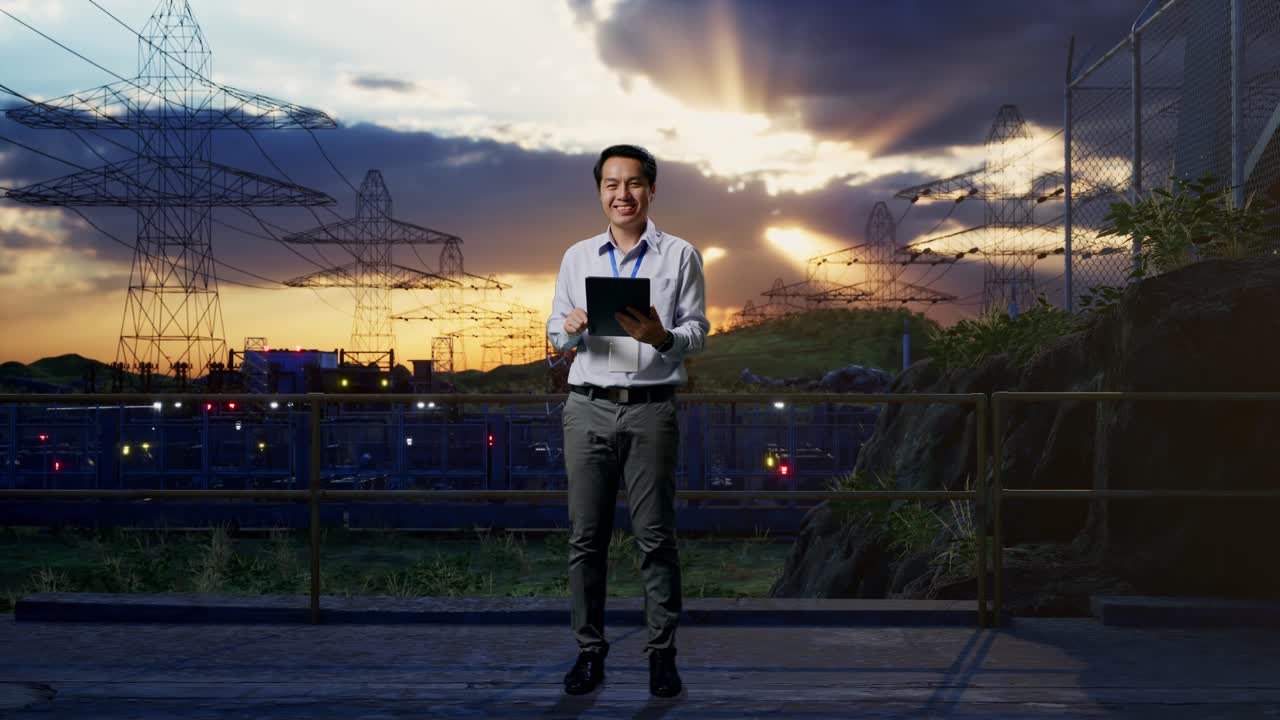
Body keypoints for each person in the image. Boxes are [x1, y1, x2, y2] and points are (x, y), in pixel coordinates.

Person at [546, 144, 710, 698]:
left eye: (633, 183)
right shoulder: (576, 257)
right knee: (585, 540)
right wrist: (566, 327)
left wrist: (660, 337)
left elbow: (698, 332)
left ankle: (662, 656)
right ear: (600, 192)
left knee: (656, 539)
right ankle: (589, 653)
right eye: (612, 184)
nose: (623, 194)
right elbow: (553, 334)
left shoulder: (681, 255)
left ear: (651, 189)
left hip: (651, 408)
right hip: (586, 405)